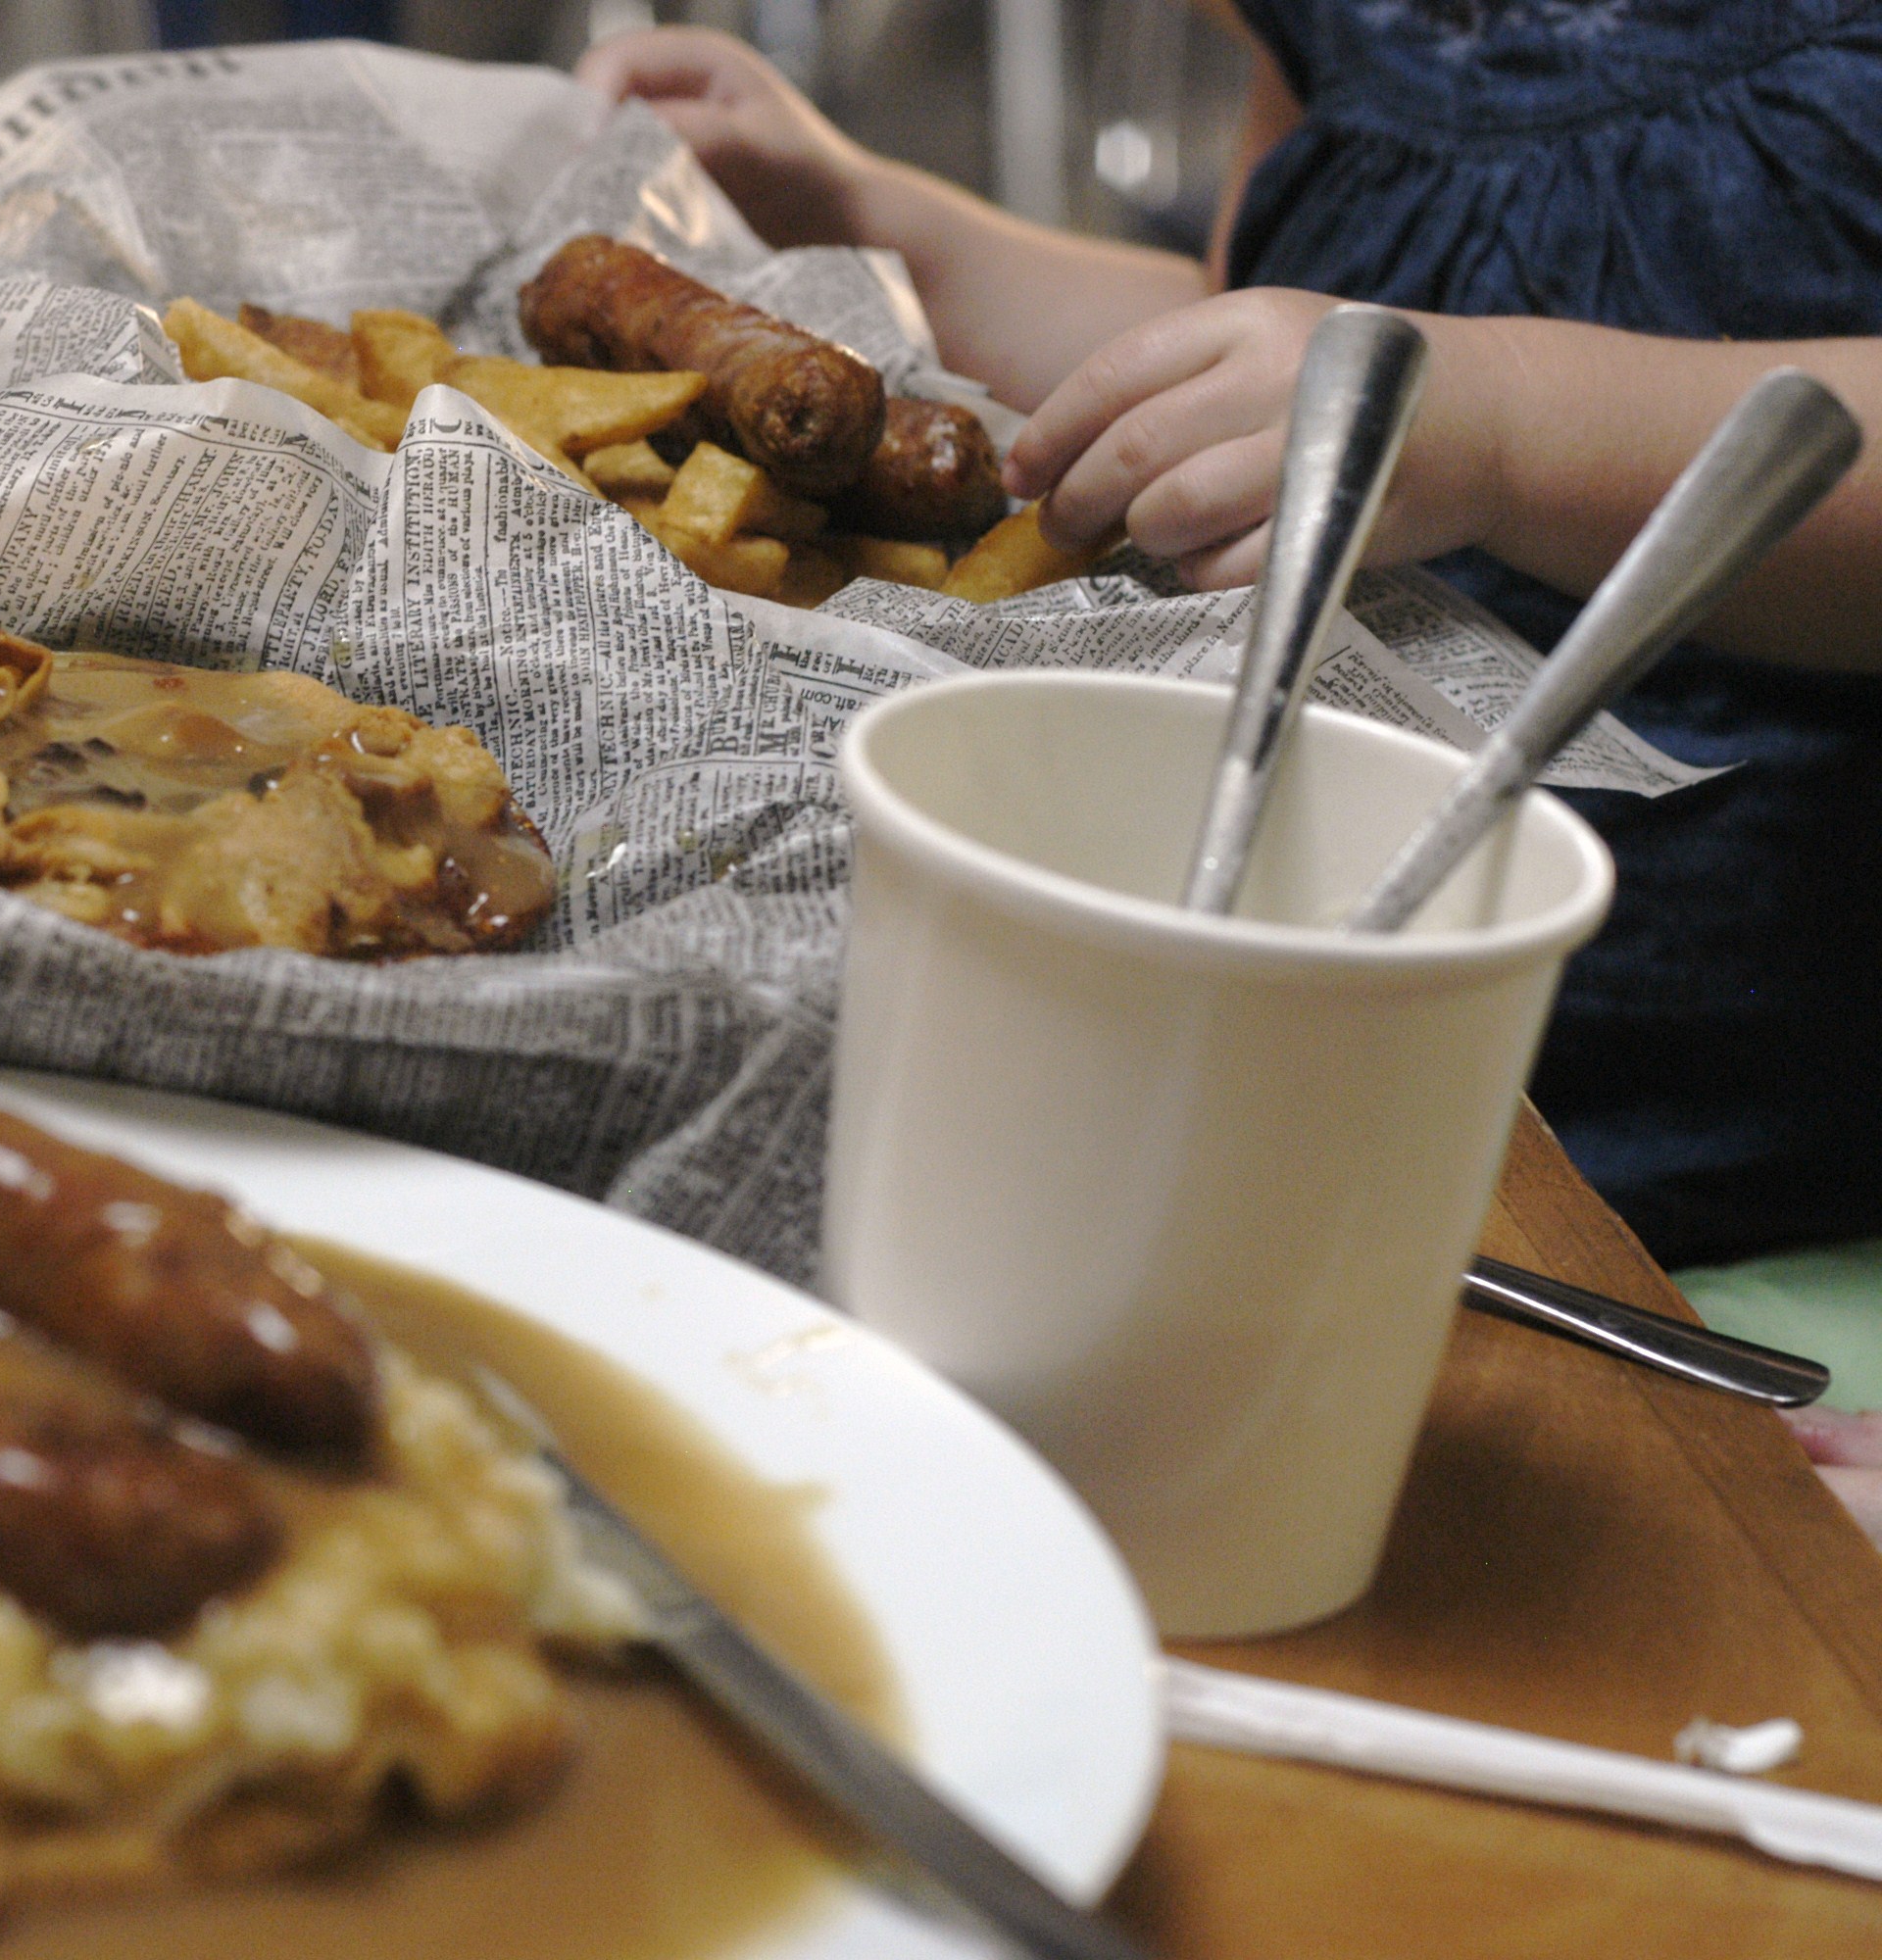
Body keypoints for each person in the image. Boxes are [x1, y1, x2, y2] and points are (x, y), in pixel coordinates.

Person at [577, 15, 1882, 1274]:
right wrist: (890, 224)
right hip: (1232, 1076)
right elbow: (1246, 327)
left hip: (1710, 1182)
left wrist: (1508, 422)